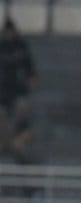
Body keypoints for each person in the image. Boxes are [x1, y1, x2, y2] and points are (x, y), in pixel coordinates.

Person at [0, 17, 35, 162]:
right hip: (2, 89)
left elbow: (30, 69)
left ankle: (13, 144)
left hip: (17, 87)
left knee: (20, 109)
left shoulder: (21, 46)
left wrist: (29, 83)